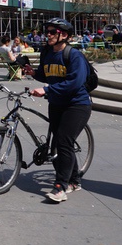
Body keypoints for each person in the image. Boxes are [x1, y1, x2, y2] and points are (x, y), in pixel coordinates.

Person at [29, 18, 91, 203]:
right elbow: (46, 74)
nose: (47, 35)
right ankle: (74, 180)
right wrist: (33, 73)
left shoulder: (74, 56)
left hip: (77, 105)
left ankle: (60, 187)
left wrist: (46, 90)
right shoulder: (47, 53)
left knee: (63, 142)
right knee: (59, 144)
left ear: (64, 35)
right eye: (47, 31)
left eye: (52, 32)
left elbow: (74, 83)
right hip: (56, 104)